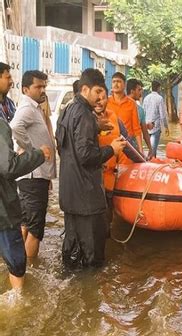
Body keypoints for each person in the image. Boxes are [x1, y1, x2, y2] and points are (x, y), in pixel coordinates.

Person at [55, 69, 126, 268]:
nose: (99, 99)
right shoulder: (85, 115)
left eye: (102, 95)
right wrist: (112, 149)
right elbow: (86, 156)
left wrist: (95, 127)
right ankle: (90, 294)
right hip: (86, 197)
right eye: (97, 93)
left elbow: (64, 144)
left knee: (72, 251)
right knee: (92, 257)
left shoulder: (68, 110)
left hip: (70, 194)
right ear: (85, 89)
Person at [10, 70, 56, 258]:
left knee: (26, 224)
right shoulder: (27, 108)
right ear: (26, 89)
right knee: (36, 231)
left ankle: (17, 266)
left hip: (34, 176)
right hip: (33, 177)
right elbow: (14, 128)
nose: (42, 90)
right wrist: (32, 152)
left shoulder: (35, 107)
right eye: (38, 86)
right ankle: (28, 270)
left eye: (44, 86)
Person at [1, 116, 50, 291]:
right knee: (16, 263)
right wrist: (38, 154)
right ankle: (19, 301)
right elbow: (9, 167)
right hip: (3, 212)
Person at [95, 88, 144, 224]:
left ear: (108, 99)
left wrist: (144, 163)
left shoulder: (115, 120)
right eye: (96, 98)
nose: (99, 102)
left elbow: (128, 146)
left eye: (103, 98)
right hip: (89, 183)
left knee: (106, 223)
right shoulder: (83, 120)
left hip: (108, 181)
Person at [107, 72, 143, 152]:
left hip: (127, 148)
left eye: (119, 82)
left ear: (124, 85)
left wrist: (140, 150)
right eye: (114, 82)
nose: (116, 84)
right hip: (110, 147)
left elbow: (137, 129)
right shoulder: (106, 102)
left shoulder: (132, 103)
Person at [127, 78, 153, 159]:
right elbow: (145, 132)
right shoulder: (139, 110)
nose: (141, 92)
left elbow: (144, 131)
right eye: (139, 90)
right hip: (132, 150)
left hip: (130, 149)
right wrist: (150, 148)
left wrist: (150, 148)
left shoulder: (140, 110)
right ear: (132, 91)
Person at [143, 80, 169, 158]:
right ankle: (149, 164)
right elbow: (162, 115)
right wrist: (166, 127)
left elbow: (143, 113)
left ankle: (150, 163)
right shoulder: (160, 98)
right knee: (153, 150)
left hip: (146, 127)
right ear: (158, 88)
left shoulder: (146, 98)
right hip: (155, 127)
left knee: (151, 149)